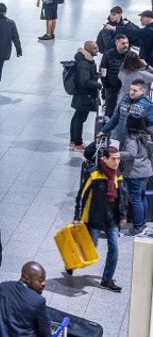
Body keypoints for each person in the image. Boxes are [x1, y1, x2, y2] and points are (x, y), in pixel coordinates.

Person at [99, 79, 153, 235]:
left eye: (135, 90)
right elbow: (116, 118)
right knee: (140, 195)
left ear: (143, 91)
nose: (131, 92)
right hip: (125, 142)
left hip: (135, 145)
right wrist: (104, 130)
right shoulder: (124, 100)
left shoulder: (147, 106)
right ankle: (141, 224)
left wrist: (145, 135)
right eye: (130, 89)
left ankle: (138, 226)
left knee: (136, 196)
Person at [73, 144, 128, 292]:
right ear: (105, 159)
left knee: (114, 249)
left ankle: (107, 280)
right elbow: (82, 195)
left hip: (112, 219)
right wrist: (77, 216)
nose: (116, 162)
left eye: (118, 159)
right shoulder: (93, 174)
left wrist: (122, 215)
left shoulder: (118, 175)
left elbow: (121, 197)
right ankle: (72, 263)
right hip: (95, 218)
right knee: (89, 249)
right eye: (113, 159)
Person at [0, 263, 49, 337]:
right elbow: (45, 331)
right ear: (26, 277)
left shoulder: (4, 287)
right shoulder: (38, 301)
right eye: (40, 280)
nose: (43, 284)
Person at [69, 41, 102, 152]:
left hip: (81, 95)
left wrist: (96, 75)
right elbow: (84, 81)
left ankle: (74, 140)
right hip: (85, 96)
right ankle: (78, 143)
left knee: (77, 117)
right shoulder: (85, 64)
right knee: (80, 119)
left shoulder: (86, 61)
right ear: (88, 50)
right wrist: (98, 84)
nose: (97, 50)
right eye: (94, 48)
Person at [100, 34, 132, 118]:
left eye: (127, 43)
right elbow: (103, 71)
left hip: (125, 90)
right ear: (117, 43)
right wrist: (107, 85)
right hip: (112, 89)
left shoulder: (130, 55)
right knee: (109, 112)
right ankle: (105, 130)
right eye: (123, 43)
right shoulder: (108, 55)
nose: (126, 45)